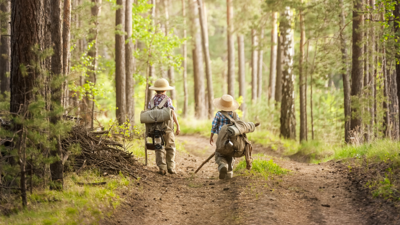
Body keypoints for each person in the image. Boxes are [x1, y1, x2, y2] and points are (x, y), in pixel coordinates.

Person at [148, 78, 180, 175]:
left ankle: (162, 168)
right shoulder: (167, 99)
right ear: (165, 90)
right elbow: (172, 112)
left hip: (155, 128)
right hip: (167, 128)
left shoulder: (152, 101)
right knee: (170, 146)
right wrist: (177, 124)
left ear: (155, 90)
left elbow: (149, 114)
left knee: (158, 147)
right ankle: (171, 167)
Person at [209, 94, 240, 179]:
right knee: (231, 154)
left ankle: (223, 165)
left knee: (219, 154)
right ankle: (229, 172)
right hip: (232, 140)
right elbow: (239, 126)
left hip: (221, 139)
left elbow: (214, 126)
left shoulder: (219, 114)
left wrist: (211, 136)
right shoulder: (235, 115)